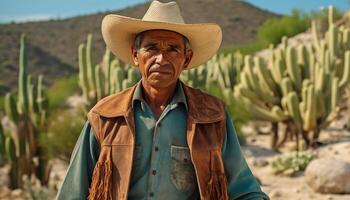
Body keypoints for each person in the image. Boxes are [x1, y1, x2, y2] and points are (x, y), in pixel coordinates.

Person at [57, 1, 269, 199]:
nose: (161, 59)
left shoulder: (212, 116)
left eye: (172, 49)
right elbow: (73, 192)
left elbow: (245, 191)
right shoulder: (105, 115)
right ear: (135, 55)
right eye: (152, 48)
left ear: (186, 59)